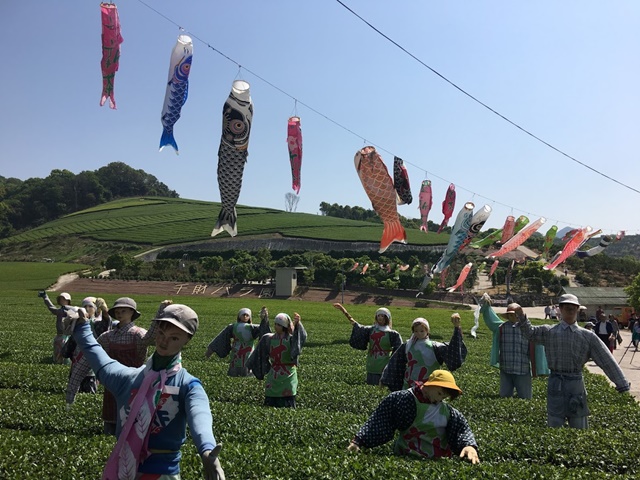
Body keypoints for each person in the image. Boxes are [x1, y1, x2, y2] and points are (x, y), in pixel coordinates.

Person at [68, 303, 225, 479]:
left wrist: (206, 448)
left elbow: (200, 415)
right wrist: (82, 327)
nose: (164, 341)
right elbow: (99, 359)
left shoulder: (187, 385)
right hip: (124, 469)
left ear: (187, 340)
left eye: (174, 338)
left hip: (163, 474)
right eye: (161, 333)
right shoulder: (129, 379)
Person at [517, 293, 630, 429]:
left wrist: (621, 384)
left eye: (573, 307)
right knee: (554, 428)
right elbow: (529, 333)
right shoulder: (549, 332)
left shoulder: (588, 336)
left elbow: (606, 360)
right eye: (566, 306)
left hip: (575, 384)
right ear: (560, 308)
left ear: (578, 309)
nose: (570, 309)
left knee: (579, 427)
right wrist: (521, 316)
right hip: (555, 383)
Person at [347, 369, 479, 464]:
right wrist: (359, 441)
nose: (440, 399)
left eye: (444, 397)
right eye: (439, 393)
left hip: (439, 460)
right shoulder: (403, 399)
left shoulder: (448, 412)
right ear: (428, 385)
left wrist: (469, 445)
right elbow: (380, 419)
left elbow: (462, 428)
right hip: (406, 458)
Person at [96, 297, 163, 435]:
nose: (120, 313)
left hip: (135, 382)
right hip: (112, 383)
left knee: (133, 422)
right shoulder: (107, 336)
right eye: (117, 311)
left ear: (132, 312)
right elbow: (93, 352)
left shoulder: (138, 334)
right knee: (111, 420)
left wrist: (160, 312)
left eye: (124, 310)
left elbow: (150, 338)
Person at [479, 294, 549, 399]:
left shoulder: (527, 329)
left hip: (523, 369)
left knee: (525, 398)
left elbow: (538, 341)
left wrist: (542, 369)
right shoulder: (502, 328)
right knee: (504, 397)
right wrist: (486, 305)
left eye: (516, 314)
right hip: (506, 368)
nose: (514, 317)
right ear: (507, 316)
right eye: (511, 315)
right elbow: (491, 320)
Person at [380, 314, 466, 392]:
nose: (419, 333)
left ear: (427, 331)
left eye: (421, 331)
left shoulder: (436, 347)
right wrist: (385, 378)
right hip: (408, 384)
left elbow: (453, 352)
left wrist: (457, 328)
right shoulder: (407, 345)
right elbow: (395, 361)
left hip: (429, 385)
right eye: (416, 331)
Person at [246, 312, 307, 408]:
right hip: (274, 374)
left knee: (288, 401)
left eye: (279, 324)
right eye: (275, 324)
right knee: (270, 400)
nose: (276, 326)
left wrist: (298, 324)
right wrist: (249, 365)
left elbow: (300, 338)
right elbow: (259, 351)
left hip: (288, 374)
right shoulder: (268, 338)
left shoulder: (291, 340)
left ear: (285, 326)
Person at [334, 303, 402, 385]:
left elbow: (399, 350)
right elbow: (356, 325)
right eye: (378, 316)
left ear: (387, 318)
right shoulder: (370, 330)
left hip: (385, 364)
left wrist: (393, 364)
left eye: (383, 316)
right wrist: (344, 312)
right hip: (372, 363)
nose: (380, 318)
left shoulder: (393, 334)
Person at [64, 297, 112, 401]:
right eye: (85, 306)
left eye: (90, 306)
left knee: (89, 392)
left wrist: (104, 310)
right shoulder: (77, 322)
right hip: (77, 359)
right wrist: (66, 352)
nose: (87, 308)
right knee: (74, 385)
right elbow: (72, 340)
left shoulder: (97, 323)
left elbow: (106, 323)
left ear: (95, 309)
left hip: (91, 361)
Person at [206, 306, 271, 376]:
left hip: (248, 353)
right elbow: (222, 337)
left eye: (247, 315)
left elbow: (263, 330)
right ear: (239, 316)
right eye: (243, 315)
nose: (245, 316)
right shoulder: (233, 327)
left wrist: (264, 319)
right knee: (235, 367)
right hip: (236, 352)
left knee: (247, 369)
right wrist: (210, 350)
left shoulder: (253, 328)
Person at [38, 290, 73, 364]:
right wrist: (45, 297)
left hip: (67, 335)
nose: (62, 301)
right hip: (59, 335)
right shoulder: (60, 311)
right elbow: (51, 307)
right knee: (57, 348)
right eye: (61, 299)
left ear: (68, 301)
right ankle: (57, 361)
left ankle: (66, 362)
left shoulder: (71, 310)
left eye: (64, 299)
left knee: (66, 350)